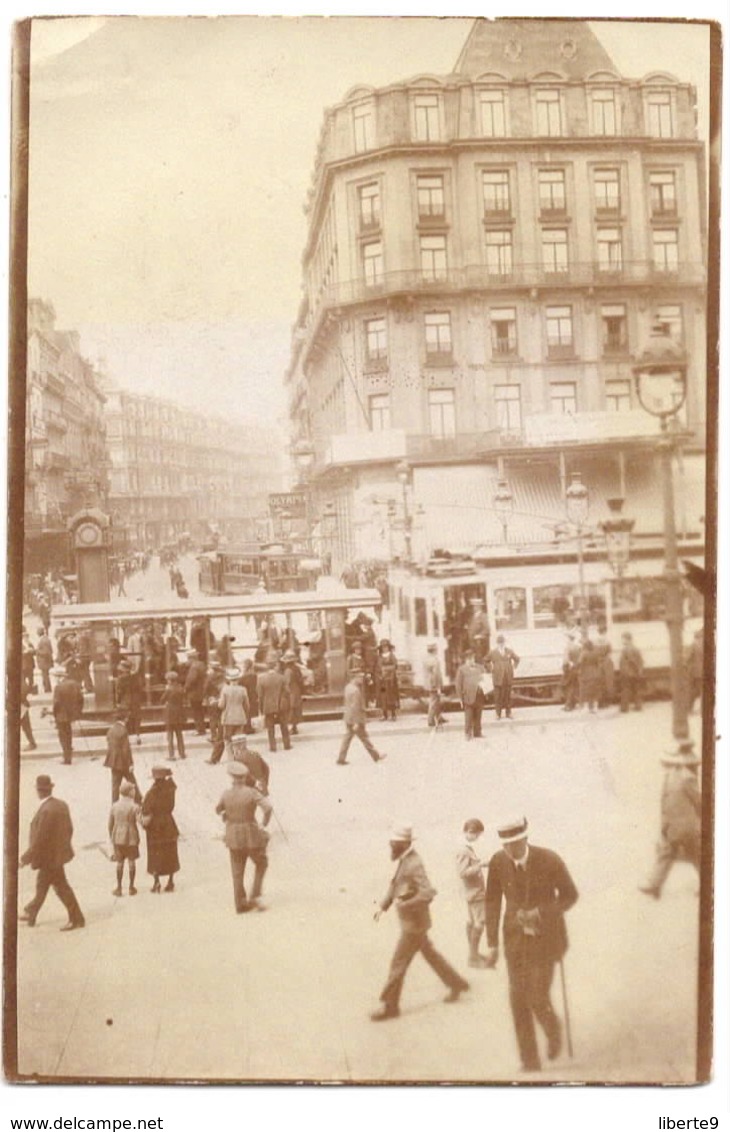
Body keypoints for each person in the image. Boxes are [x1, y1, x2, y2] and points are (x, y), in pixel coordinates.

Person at [484, 816, 578, 1073]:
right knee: (517, 999)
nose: (509, 850)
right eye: (505, 844)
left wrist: (542, 912)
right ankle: (530, 1061)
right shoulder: (498, 861)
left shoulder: (549, 860)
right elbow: (491, 900)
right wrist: (491, 942)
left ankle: (552, 1028)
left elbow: (570, 895)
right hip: (514, 940)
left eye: (514, 843)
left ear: (526, 838)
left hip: (546, 940)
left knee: (536, 996)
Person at [371, 825, 469, 1021]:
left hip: (413, 926)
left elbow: (428, 892)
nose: (391, 846)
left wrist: (405, 905)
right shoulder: (406, 859)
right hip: (416, 924)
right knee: (431, 955)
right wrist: (383, 906)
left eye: (394, 843)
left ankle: (390, 1006)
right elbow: (395, 884)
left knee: (398, 963)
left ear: (405, 843)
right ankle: (456, 984)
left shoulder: (414, 863)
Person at [19, 774, 85, 931]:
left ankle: (77, 919)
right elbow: (69, 829)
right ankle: (32, 912)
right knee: (43, 885)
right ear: (49, 789)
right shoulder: (61, 805)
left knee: (60, 888)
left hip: (48, 858)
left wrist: (24, 859)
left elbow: (39, 840)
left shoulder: (45, 811)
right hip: (57, 856)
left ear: (39, 791)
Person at [639, 742, 701, 899]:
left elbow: (698, 802)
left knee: (693, 855)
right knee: (671, 853)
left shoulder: (684, 778)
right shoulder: (678, 777)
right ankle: (654, 884)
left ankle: (654, 884)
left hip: (684, 827)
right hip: (676, 826)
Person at [215, 763, 273, 913]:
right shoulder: (252, 793)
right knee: (261, 863)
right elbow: (268, 808)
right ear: (245, 777)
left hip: (233, 835)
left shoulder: (226, 793)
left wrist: (227, 814)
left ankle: (240, 903)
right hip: (251, 834)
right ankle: (255, 895)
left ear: (232, 778)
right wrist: (263, 823)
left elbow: (218, 809)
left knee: (237, 871)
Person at [141, 765, 180, 893]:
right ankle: (170, 881)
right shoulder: (170, 789)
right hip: (168, 823)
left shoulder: (152, 793)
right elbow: (172, 806)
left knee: (155, 853)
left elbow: (146, 809)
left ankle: (156, 882)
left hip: (155, 826)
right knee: (170, 852)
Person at [457, 818, 489, 968]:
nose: (477, 838)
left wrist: (479, 863)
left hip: (470, 892)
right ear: (470, 832)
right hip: (475, 892)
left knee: (471, 921)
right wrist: (480, 865)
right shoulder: (464, 850)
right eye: (476, 835)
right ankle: (473, 958)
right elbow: (462, 872)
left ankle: (473, 953)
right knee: (480, 922)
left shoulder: (466, 847)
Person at [337, 669, 386, 765]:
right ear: (354, 677)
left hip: (349, 717)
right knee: (364, 738)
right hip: (356, 719)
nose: (361, 679)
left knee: (349, 738)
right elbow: (355, 707)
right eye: (359, 677)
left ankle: (341, 759)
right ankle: (376, 756)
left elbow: (348, 704)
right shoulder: (355, 690)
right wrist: (356, 722)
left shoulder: (348, 687)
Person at [108, 780, 141, 897]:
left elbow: (110, 824)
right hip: (131, 837)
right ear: (129, 793)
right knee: (131, 862)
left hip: (118, 837)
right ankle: (131, 887)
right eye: (133, 789)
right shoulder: (135, 806)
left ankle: (119, 888)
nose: (135, 791)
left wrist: (112, 837)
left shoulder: (115, 806)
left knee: (119, 863)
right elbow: (140, 821)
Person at [104, 711, 141, 803]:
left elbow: (108, 741)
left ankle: (114, 803)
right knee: (132, 781)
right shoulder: (124, 731)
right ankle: (139, 800)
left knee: (115, 785)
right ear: (125, 719)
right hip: (123, 762)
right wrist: (130, 764)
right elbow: (126, 750)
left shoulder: (111, 729)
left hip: (113, 761)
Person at [52, 664, 84, 764]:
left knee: (63, 737)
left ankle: (67, 758)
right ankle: (68, 754)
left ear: (59, 677)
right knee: (69, 735)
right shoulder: (74, 684)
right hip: (71, 715)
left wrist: (54, 714)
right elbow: (81, 699)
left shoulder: (58, 687)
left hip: (61, 716)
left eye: (56, 677)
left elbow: (56, 703)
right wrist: (78, 711)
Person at [256, 660, 290, 753]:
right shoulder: (282, 678)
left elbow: (260, 695)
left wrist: (261, 708)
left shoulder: (261, 679)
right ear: (275, 666)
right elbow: (287, 691)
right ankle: (286, 744)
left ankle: (272, 746)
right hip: (281, 705)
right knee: (284, 725)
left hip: (268, 706)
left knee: (270, 727)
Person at [486, 634, 520, 720]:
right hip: (497, 678)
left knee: (508, 696)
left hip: (507, 677)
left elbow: (517, 659)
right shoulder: (492, 652)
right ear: (497, 644)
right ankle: (498, 714)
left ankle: (508, 713)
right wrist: (491, 669)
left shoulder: (509, 651)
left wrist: (514, 666)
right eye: (499, 643)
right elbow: (485, 661)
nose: (501, 644)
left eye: (502, 643)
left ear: (504, 643)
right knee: (498, 697)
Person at [219, 667, 251, 758]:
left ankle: (231, 757)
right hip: (240, 716)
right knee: (239, 739)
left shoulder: (225, 690)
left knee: (228, 739)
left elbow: (221, 705)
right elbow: (247, 705)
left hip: (228, 717)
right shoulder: (243, 689)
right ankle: (240, 756)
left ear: (229, 679)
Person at [454, 650, 485, 740]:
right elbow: (458, 684)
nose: (471, 661)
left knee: (478, 715)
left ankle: (477, 732)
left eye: (473, 658)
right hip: (468, 696)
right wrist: (460, 698)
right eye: (469, 659)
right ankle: (467, 733)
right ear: (466, 660)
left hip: (479, 695)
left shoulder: (480, 667)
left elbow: (485, 679)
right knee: (469, 716)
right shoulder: (461, 669)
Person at [115, 659, 144, 745]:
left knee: (125, 719)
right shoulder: (136, 678)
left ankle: (126, 738)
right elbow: (140, 689)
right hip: (136, 700)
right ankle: (137, 736)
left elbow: (119, 692)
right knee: (137, 718)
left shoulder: (120, 679)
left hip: (125, 701)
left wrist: (118, 702)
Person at [161, 671, 186, 761]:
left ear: (170, 680)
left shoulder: (168, 690)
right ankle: (182, 753)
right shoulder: (180, 688)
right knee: (179, 734)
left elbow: (162, 700)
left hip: (170, 714)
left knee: (170, 735)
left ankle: (171, 755)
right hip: (179, 713)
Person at [184, 648, 208, 735]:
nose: (187, 661)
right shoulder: (202, 665)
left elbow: (191, 680)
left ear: (192, 658)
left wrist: (186, 688)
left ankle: (199, 729)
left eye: (188, 659)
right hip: (201, 692)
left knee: (196, 711)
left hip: (194, 693)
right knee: (200, 711)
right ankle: (202, 729)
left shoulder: (194, 667)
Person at [618, 632, 644, 712]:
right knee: (636, 689)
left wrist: (623, 671)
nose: (622, 641)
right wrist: (639, 671)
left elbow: (623, 662)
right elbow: (641, 661)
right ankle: (638, 706)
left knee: (626, 690)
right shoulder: (636, 649)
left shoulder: (625, 650)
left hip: (627, 673)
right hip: (635, 673)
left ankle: (624, 708)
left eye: (623, 639)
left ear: (627, 639)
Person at [281, 651, 305, 735]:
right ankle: (294, 727)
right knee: (296, 708)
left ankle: (291, 728)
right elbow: (300, 680)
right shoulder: (297, 669)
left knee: (290, 709)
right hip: (297, 690)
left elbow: (286, 682)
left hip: (291, 690)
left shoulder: (287, 670)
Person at [423, 643, 446, 729]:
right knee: (433, 701)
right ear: (434, 650)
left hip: (429, 683)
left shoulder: (427, 659)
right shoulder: (434, 660)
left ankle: (439, 717)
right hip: (434, 683)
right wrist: (437, 686)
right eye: (436, 649)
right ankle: (431, 720)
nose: (437, 650)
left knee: (436, 701)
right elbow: (435, 674)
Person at [376, 640, 400, 721]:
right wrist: (380, 675)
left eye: (386, 647)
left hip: (391, 681)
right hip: (383, 682)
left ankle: (393, 714)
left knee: (391, 696)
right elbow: (378, 668)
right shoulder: (379, 657)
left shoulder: (392, 656)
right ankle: (384, 715)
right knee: (383, 697)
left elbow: (395, 665)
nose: (384, 649)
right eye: (383, 647)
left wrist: (388, 670)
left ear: (388, 647)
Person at [577, 638, 601, 713]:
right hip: (595, 673)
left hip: (586, 674)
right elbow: (598, 663)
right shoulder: (595, 652)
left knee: (587, 691)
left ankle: (588, 708)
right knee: (594, 691)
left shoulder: (584, 653)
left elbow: (579, 662)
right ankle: (595, 707)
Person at [684, 629, 704, 714]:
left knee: (693, 691)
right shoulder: (705, 645)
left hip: (696, 673)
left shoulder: (694, 645)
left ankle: (689, 709)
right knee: (701, 691)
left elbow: (687, 659)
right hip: (701, 673)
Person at [595, 624, 614, 708]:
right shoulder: (607, 641)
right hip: (606, 662)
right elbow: (610, 652)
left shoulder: (595, 641)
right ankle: (606, 702)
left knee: (599, 683)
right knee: (607, 682)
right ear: (605, 631)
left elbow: (594, 653)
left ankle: (600, 702)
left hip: (598, 663)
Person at [561, 633, 581, 712]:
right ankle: (572, 704)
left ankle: (568, 705)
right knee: (573, 686)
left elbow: (566, 660)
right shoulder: (578, 647)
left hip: (569, 669)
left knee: (568, 687)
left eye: (567, 639)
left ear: (569, 639)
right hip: (576, 668)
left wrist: (565, 669)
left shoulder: (568, 647)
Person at [20, 680, 38, 751]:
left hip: (21, 706)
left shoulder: (20, 680)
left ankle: (32, 743)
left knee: (26, 726)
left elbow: (24, 691)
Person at [36, 628, 54, 693]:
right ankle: (47, 688)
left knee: (45, 676)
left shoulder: (43, 640)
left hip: (44, 661)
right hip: (46, 661)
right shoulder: (46, 639)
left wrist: (37, 651)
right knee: (45, 675)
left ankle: (47, 689)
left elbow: (46, 652)